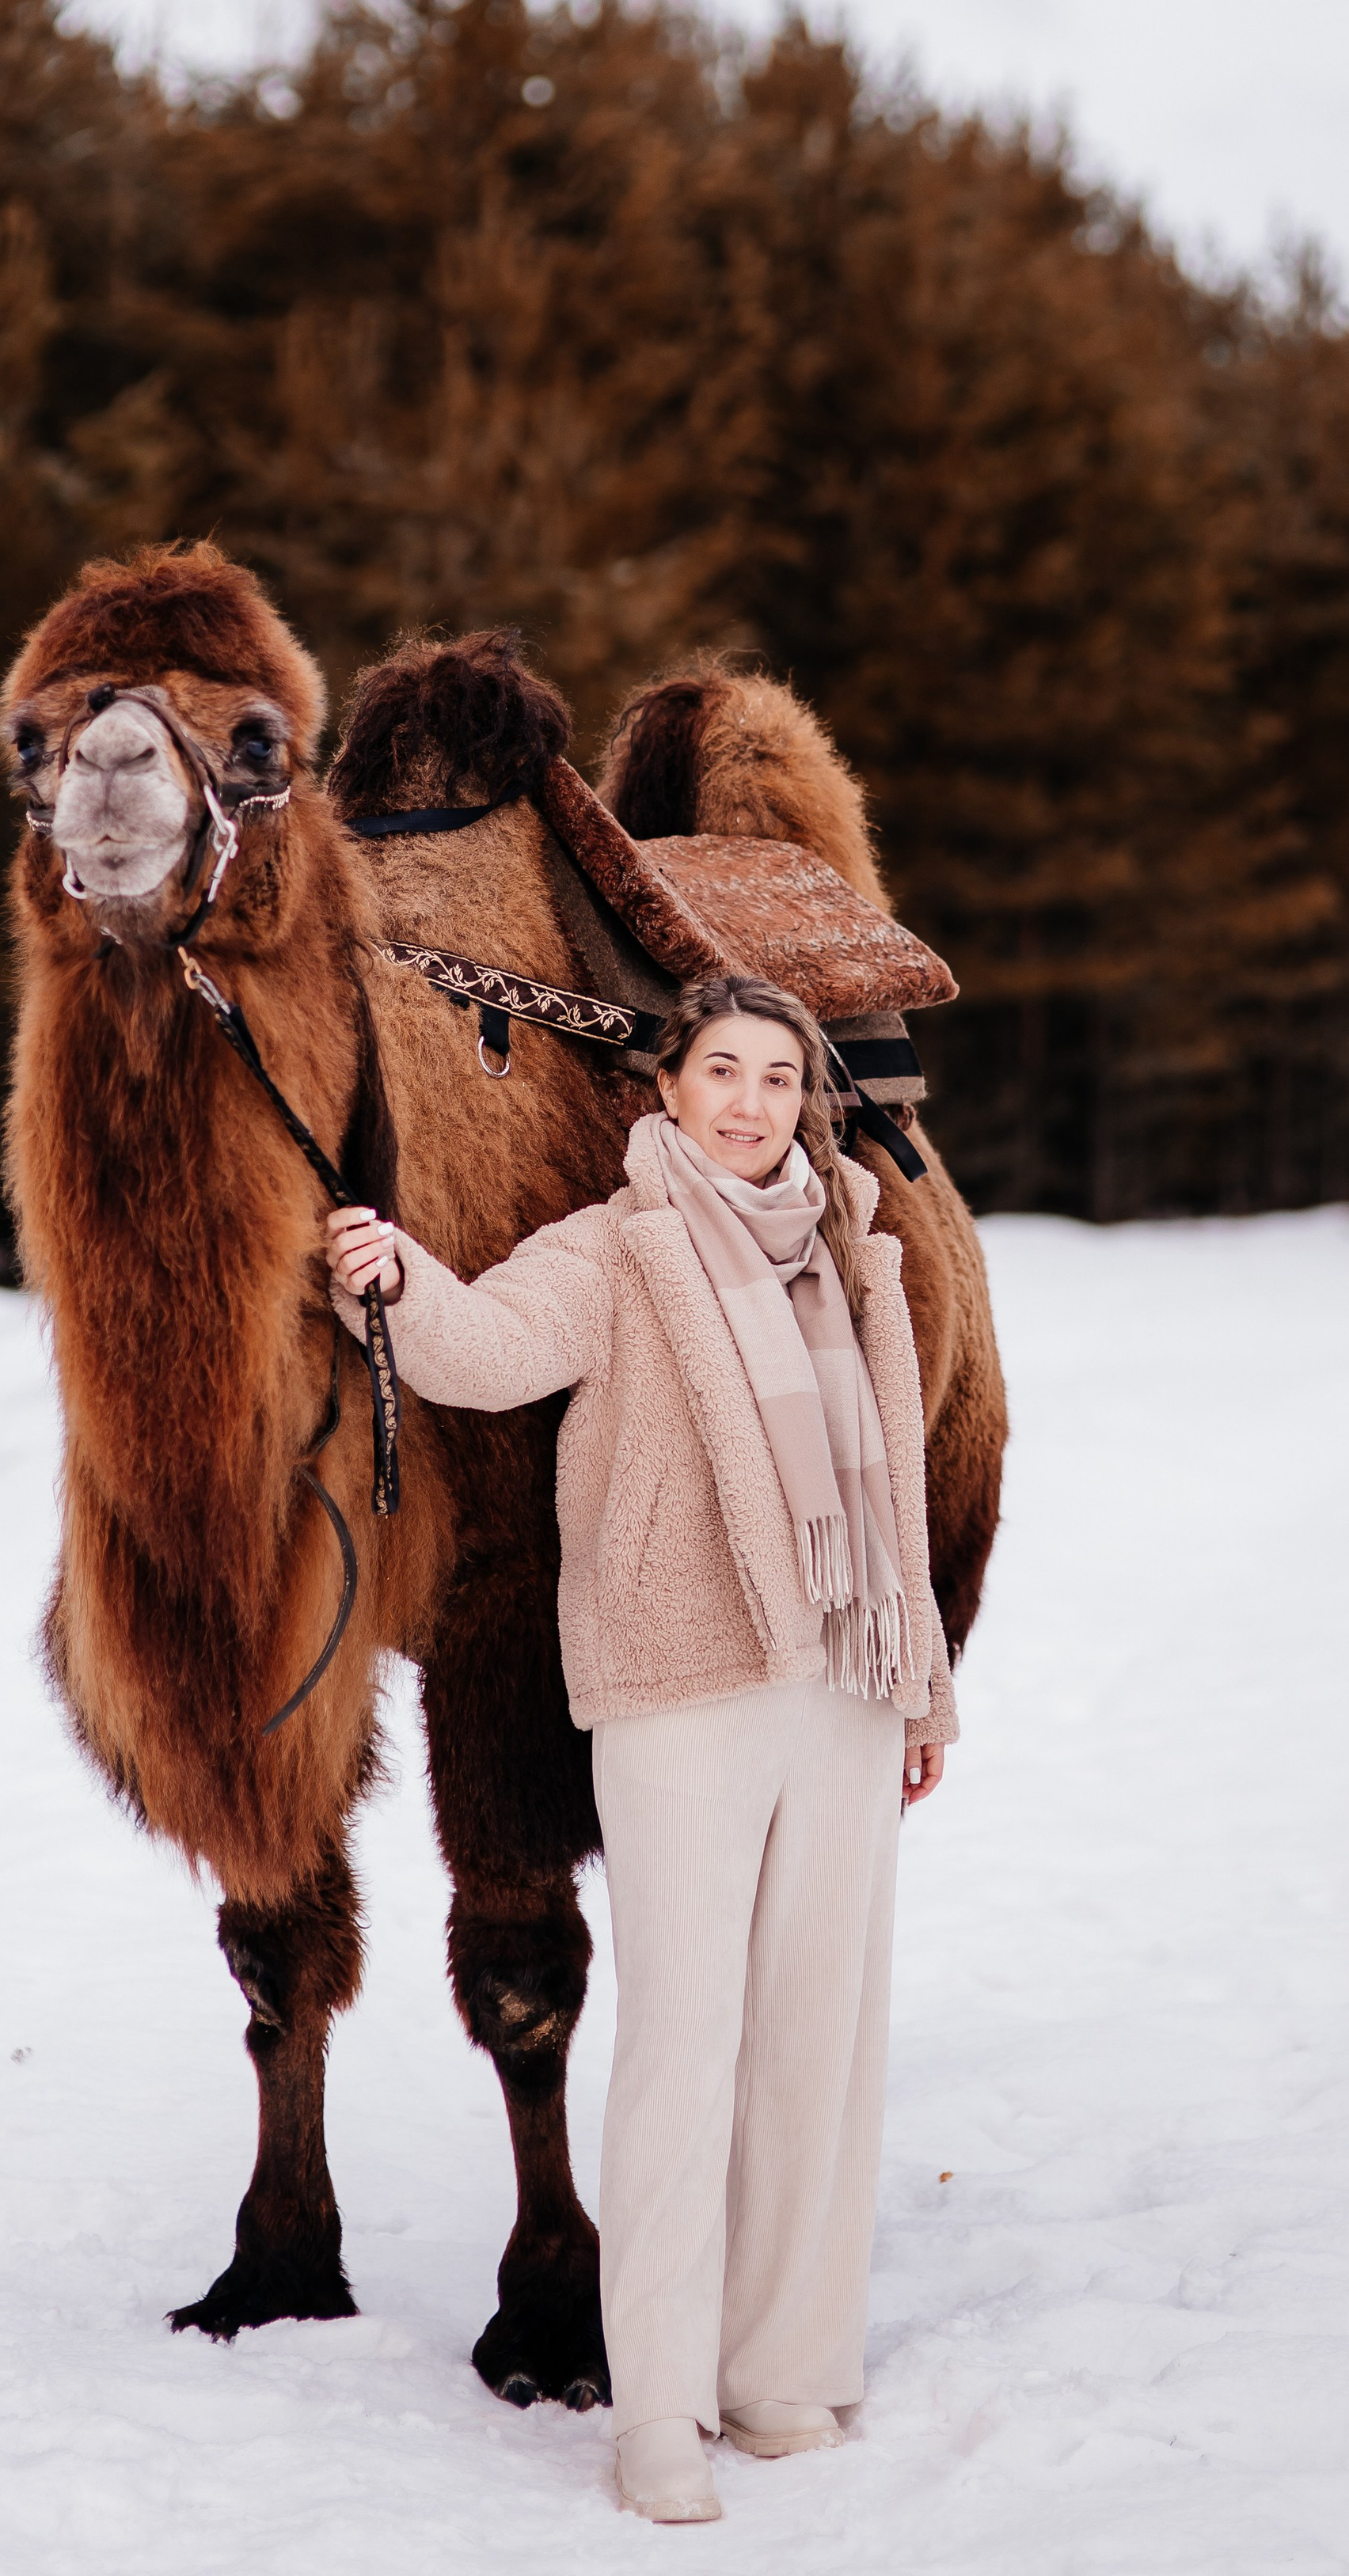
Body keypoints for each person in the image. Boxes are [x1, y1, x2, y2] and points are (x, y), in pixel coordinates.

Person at [325, 973, 956, 2525]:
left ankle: (777, 2372)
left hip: (841, 1689)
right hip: (680, 1691)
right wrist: (395, 1280)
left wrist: (919, 1691)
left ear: (803, 1099)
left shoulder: (852, 1259)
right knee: (682, 2049)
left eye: (774, 1077)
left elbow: (892, 1498)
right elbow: (483, 1351)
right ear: (665, 1090)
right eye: (718, 1072)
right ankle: (660, 2408)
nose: (746, 1102)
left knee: (820, 2040)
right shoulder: (613, 1252)